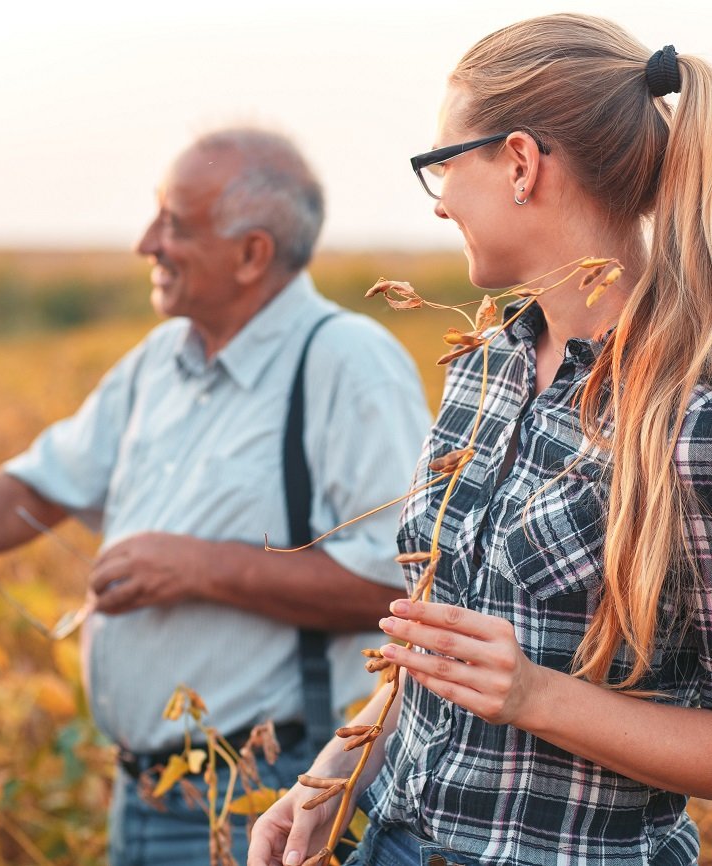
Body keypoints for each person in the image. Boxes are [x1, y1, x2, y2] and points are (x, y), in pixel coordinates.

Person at [249, 13, 712, 866]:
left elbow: (514, 685)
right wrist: (334, 772)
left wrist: (538, 697)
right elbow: (442, 642)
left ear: (521, 164)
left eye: (442, 165)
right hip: (386, 839)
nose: (437, 202)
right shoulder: (484, 365)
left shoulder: (690, 412)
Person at [0, 127, 430, 865]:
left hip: (273, 795)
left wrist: (196, 567)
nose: (145, 242)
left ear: (251, 254)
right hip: (143, 796)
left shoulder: (347, 363)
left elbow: (403, 587)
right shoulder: (160, 359)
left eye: (174, 225)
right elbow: (42, 479)